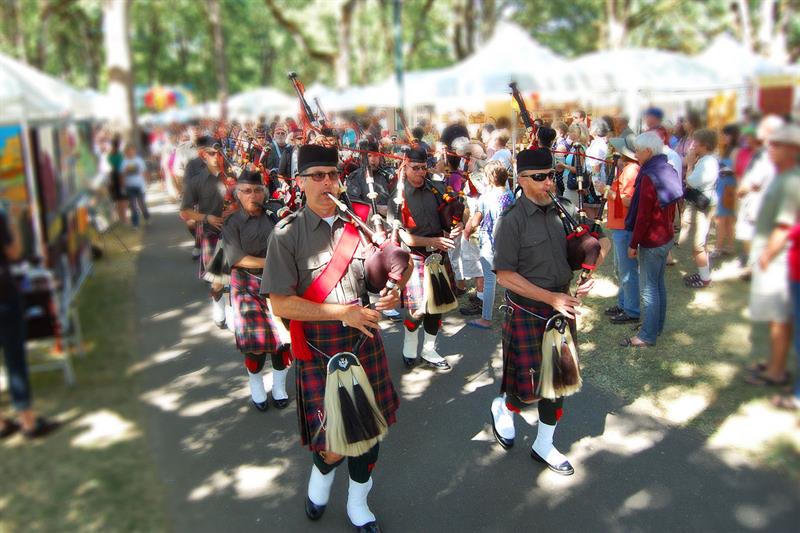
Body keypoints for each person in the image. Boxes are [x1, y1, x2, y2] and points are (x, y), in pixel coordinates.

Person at [263, 144, 404, 533]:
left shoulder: (360, 224)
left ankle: (359, 503)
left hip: (364, 343)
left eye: (333, 175)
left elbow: (377, 280)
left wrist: (392, 291)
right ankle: (320, 478)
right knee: (331, 445)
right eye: (318, 176)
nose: (327, 182)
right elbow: (281, 305)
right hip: (320, 349)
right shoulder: (286, 235)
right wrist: (343, 312)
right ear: (301, 183)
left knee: (370, 434)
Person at [488, 147, 609, 476]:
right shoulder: (511, 221)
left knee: (559, 382)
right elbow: (505, 275)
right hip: (528, 310)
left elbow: (600, 242)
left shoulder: (565, 209)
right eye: (539, 178)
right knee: (525, 387)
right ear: (523, 180)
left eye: (551, 176)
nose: (548, 184)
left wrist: (588, 272)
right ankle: (504, 407)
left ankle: (544, 444)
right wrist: (550, 297)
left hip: (560, 308)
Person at [222, 170, 290, 411]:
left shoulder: (274, 215)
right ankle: (256, 384)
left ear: (265, 192)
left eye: (258, 190)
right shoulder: (232, 222)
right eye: (247, 190)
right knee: (257, 344)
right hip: (247, 285)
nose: (253, 195)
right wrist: (274, 260)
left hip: (279, 284)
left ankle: (280, 387)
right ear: (237, 194)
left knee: (283, 343)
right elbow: (236, 258)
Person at [391, 145, 459, 371]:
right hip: (415, 257)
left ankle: (429, 350)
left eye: (424, 168)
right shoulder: (399, 197)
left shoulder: (436, 189)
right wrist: (432, 242)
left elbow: (449, 219)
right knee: (419, 309)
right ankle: (409, 346)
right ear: (405, 166)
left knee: (436, 306)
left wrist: (454, 229)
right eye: (416, 168)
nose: (421, 172)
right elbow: (405, 238)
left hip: (438, 254)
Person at [745, 124, 800, 388]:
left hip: (778, 259)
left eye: (776, 144)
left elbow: (785, 225)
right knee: (773, 316)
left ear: (792, 150)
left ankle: (777, 371)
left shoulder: (790, 181)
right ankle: (774, 362)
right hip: (772, 254)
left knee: (779, 316)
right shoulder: (783, 175)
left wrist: (767, 254)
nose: (770, 148)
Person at [0, 206, 60, 440]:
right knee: (15, 360)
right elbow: (14, 252)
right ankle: (28, 422)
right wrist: (13, 224)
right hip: (3, 296)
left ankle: (2, 424)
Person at [622, 132, 683, 347]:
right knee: (657, 285)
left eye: (638, 151)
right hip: (665, 236)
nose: (636, 155)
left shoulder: (649, 176)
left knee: (649, 288)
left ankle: (647, 335)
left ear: (648, 151)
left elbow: (643, 216)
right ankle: (655, 326)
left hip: (653, 240)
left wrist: (633, 243)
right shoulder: (667, 168)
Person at [179, 139, 238, 328]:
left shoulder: (233, 177)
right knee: (217, 280)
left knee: (235, 276)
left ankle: (232, 314)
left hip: (235, 232)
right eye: (212, 153)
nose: (217, 157)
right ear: (203, 155)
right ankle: (218, 305)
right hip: (212, 233)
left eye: (219, 153)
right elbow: (185, 212)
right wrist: (207, 218)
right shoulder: (196, 181)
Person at [463, 161, 514, 329]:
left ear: (490, 178)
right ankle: (512, 311)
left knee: (490, 282)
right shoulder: (510, 194)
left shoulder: (486, 197)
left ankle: (486, 318)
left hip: (490, 244)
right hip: (507, 243)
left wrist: (466, 232)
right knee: (509, 279)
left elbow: (475, 221)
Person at [606, 134, 641, 325]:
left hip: (624, 226)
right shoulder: (628, 168)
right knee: (622, 269)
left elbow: (628, 200)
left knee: (627, 270)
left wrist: (607, 192)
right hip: (621, 225)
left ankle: (631, 309)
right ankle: (624, 303)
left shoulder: (630, 170)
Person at [681, 129, 719, 289]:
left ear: (704, 145)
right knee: (698, 244)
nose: (692, 145)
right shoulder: (706, 160)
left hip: (702, 207)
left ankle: (705, 278)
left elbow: (692, 182)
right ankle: (703, 272)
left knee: (698, 245)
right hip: (701, 204)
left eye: (695, 142)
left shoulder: (708, 162)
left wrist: (690, 165)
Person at [712, 125, 740, 257]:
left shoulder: (736, 150)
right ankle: (729, 245)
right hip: (723, 185)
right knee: (726, 218)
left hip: (728, 186)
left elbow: (736, 169)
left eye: (726, 135)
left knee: (722, 218)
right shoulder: (725, 149)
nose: (723, 137)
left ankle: (718, 248)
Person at [121, 143, 151, 229]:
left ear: (134, 151)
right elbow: (122, 175)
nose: (130, 152)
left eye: (132, 151)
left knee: (142, 204)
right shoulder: (124, 162)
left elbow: (144, 172)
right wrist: (123, 186)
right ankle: (135, 223)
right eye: (128, 151)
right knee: (133, 205)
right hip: (129, 186)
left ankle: (146, 216)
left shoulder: (139, 160)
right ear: (126, 152)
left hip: (139, 185)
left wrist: (147, 182)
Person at [107, 135, 128, 224]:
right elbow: (122, 168)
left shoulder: (109, 156)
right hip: (120, 177)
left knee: (116, 200)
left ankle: (120, 219)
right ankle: (124, 219)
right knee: (123, 199)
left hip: (112, 177)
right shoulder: (120, 156)